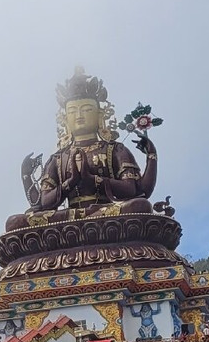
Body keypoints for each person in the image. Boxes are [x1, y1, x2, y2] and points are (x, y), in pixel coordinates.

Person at [10, 68, 158, 230]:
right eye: (73, 111)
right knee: (15, 223)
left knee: (139, 207)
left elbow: (131, 190)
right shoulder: (58, 159)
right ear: (65, 119)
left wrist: (94, 180)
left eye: (87, 109)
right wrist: (69, 182)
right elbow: (45, 203)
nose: (79, 116)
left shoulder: (115, 150)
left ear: (100, 115)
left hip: (107, 212)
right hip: (67, 218)